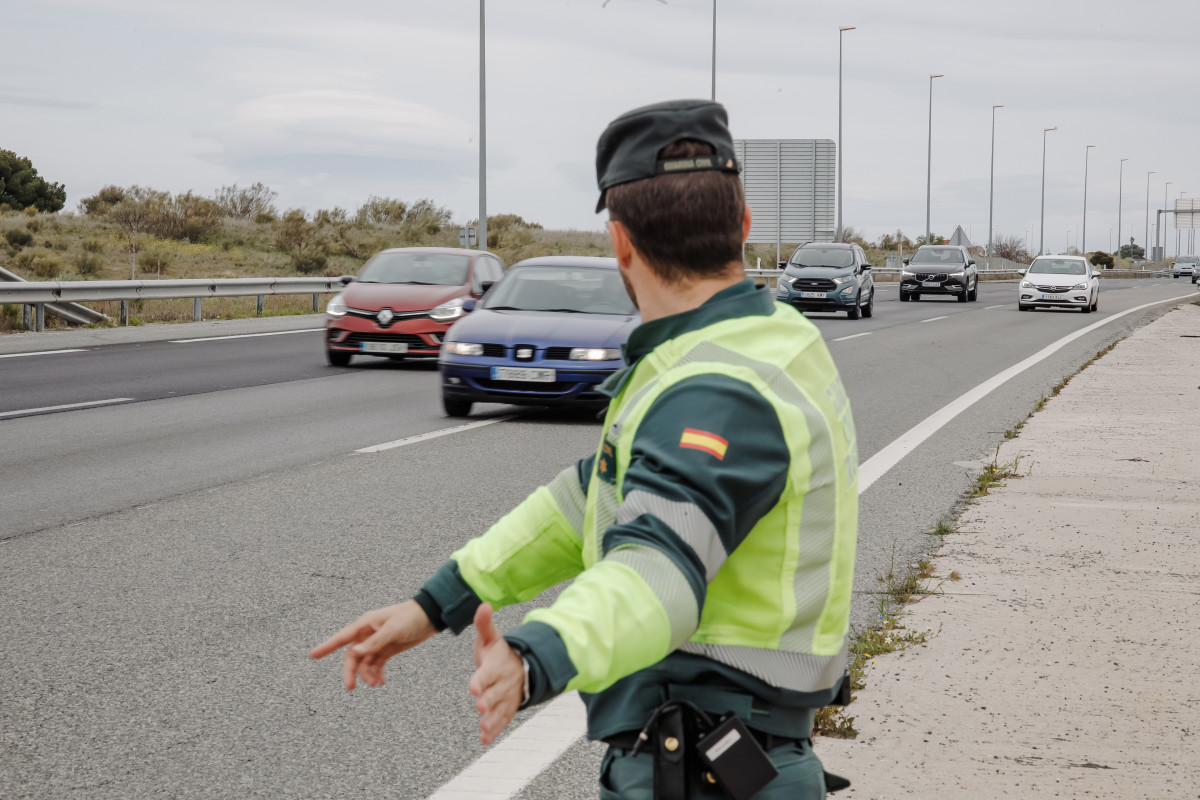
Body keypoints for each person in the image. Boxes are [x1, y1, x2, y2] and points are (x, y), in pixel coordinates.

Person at [311, 99, 859, 799]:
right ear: (744, 227)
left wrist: (533, 654)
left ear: (620, 243)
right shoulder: (771, 342)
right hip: (736, 760)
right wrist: (436, 604)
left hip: (703, 772)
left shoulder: (714, 387)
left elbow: (659, 569)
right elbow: (587, 503)